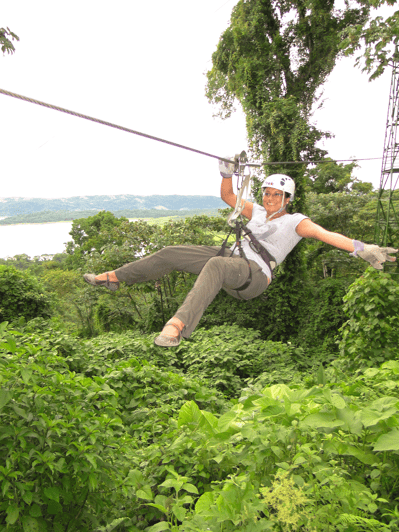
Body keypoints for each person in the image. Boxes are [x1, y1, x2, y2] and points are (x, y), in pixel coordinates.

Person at [84, 158, 397, 347]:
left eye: (277, 195)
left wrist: (361, 248)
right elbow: (228, 196)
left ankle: (177, 326)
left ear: (288, 199)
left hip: (255, 274)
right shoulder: (258, 210)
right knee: (170, 253)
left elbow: (323, 234)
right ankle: (114, 278)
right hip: (232, 256)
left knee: (217, 266)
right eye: (267, 193)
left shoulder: (295, 222)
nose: (270, 198)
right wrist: (226, 173)